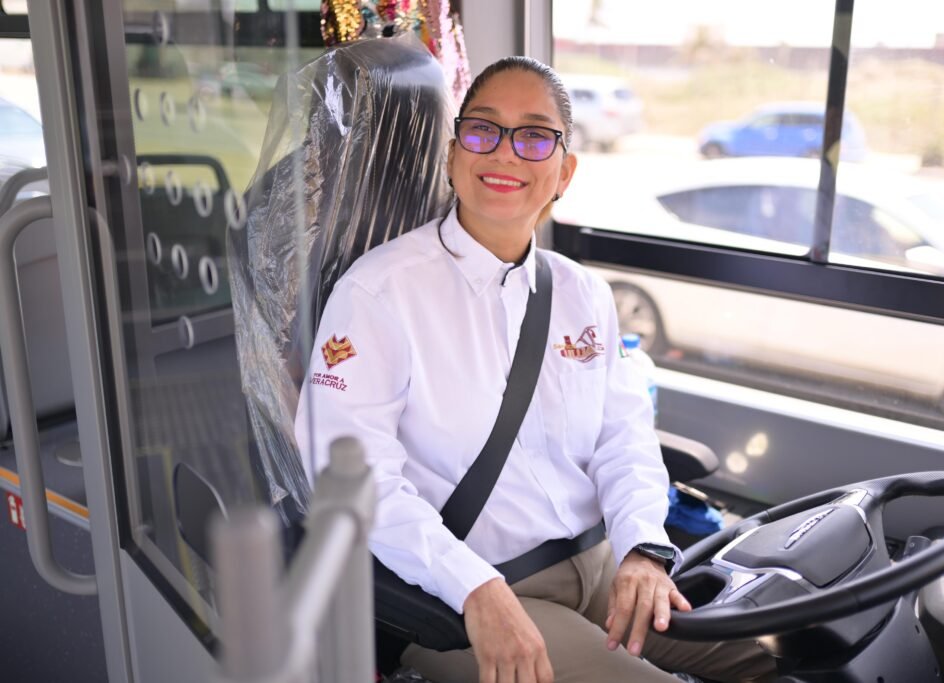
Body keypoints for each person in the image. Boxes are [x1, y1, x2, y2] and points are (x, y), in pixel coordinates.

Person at [295, 56, 776, 683]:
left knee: (774, 653)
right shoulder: (379, 294)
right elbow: (353, 481)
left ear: (564, 172)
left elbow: (623, 437)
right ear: (453, 155)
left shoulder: (582, 293)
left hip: (603, 563)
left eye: (534, 136)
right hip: (470, 593)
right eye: (482, 129)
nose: (504, 152)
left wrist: (642, 548)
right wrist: (474, 588)